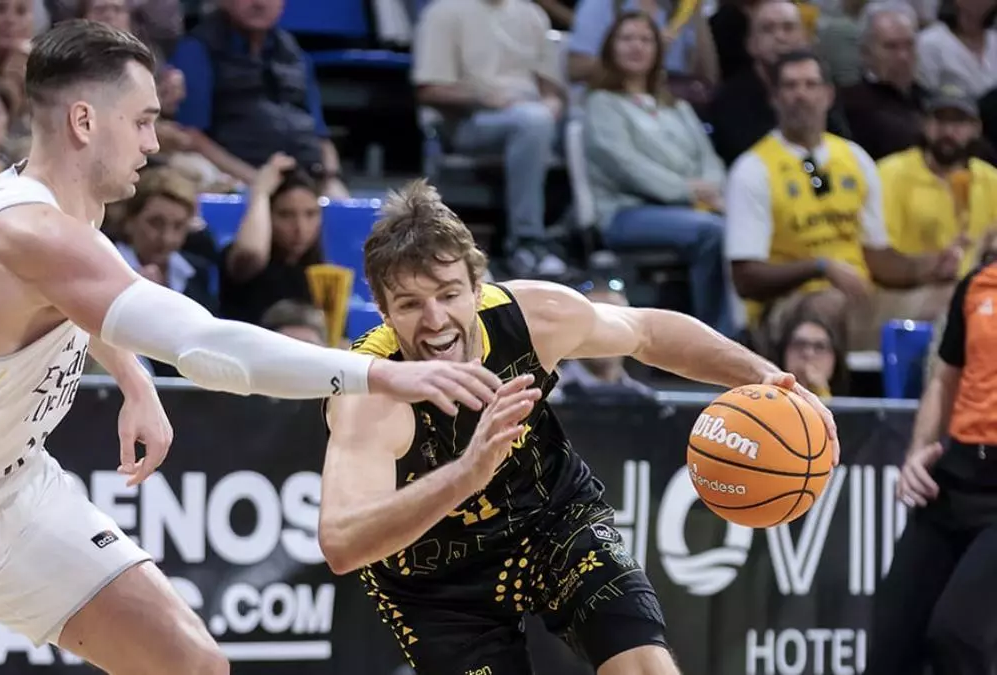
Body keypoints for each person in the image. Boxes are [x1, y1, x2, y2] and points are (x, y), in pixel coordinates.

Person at [0, 21, 503, 675]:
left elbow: (77, 297)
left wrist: (133, 380)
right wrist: (379, 375)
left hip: (13, 497)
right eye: (142, 121)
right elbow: (204, 346)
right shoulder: (30, 234)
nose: (154, 143)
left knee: (192, 664)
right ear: (85, 121)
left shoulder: (51, 201)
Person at [319, 179, 840, 675]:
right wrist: (468, 472)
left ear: (477, 288)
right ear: (383, 310)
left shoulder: (532, 316)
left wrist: (764, 374)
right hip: (436, 580)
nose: (435, 320)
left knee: (643, 663)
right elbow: (341, 543)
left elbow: (648, 332)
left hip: (552, 521)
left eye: (449, 294)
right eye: (410, 304)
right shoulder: (370, 393)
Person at [867, 243, 997, 675]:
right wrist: (918, 451)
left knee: (958, 635)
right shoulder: (977, 284)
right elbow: (944, 379)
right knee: (890, 643)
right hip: (956, 476)